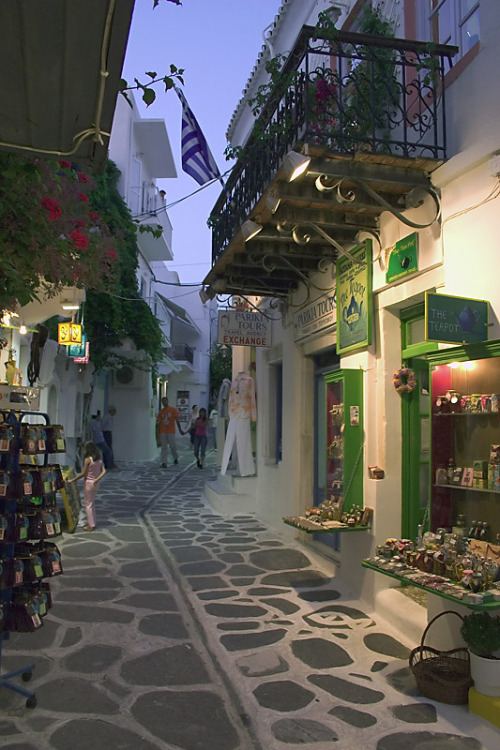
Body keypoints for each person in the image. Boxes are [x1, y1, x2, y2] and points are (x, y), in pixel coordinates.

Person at [68, 441, 106, 531]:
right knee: (92, 503)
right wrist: (97, 479)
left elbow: (83, 473)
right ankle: (92, 522)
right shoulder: (98, 460)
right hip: (96, 484)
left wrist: (72, 480)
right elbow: (104, 471)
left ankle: (90, 525)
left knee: (88, 504)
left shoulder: (87, 460)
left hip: (89, 483)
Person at [156, 397, 184, 468]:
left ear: (167, 401)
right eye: (163, 401)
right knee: (164, 447)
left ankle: (175, 457)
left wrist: (180, 429)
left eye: (165, 401)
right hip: (163, 431)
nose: (164, 402)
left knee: (172, 446)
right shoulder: (161, 412)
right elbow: (158, 422)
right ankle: (164, 462)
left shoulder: (173, 410)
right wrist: (158, 433)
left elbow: (177, 420)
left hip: (171, 431)